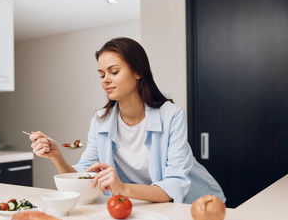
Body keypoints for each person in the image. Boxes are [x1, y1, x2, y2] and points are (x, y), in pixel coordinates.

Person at [29, 37, 225, 204]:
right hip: (139, 206)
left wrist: (122, 188)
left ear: (138, 72)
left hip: (194, 204)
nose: (105, 80)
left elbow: (175, 185)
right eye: (101, 74)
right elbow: (85, 177)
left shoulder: (172, 115)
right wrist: (57, 156)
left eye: (114, 72)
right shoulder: (100, 121)